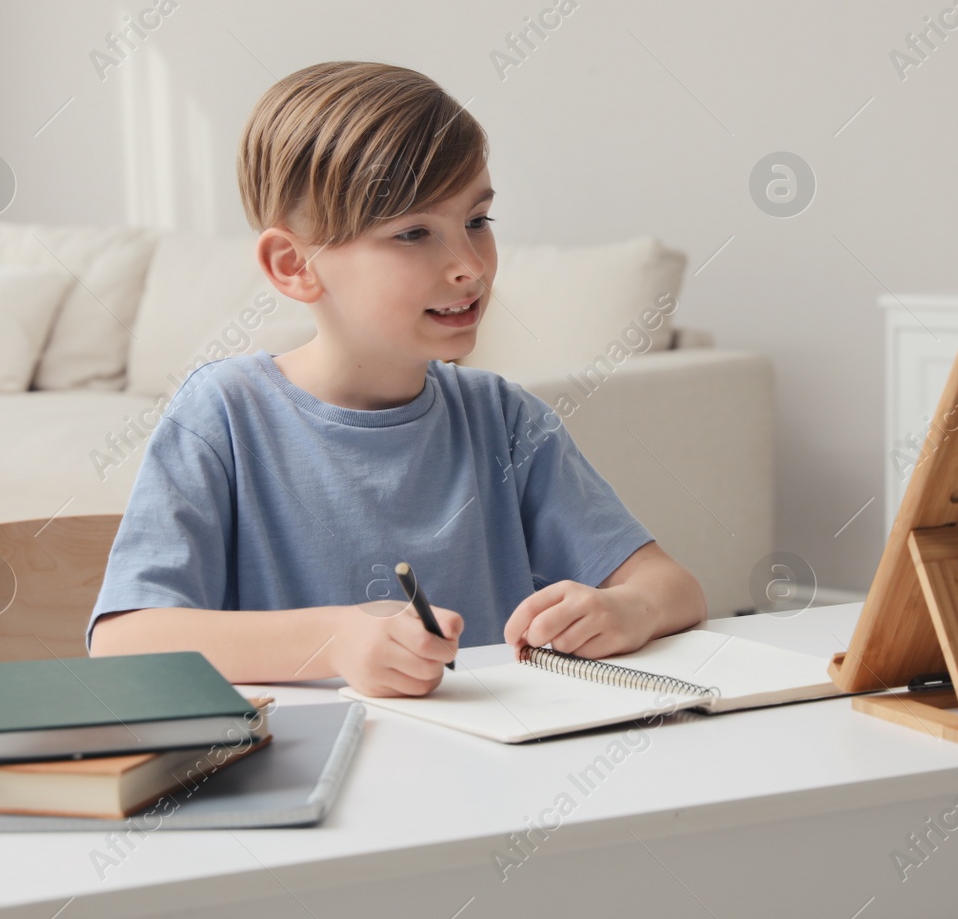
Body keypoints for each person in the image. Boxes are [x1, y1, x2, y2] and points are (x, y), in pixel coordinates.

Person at [87, 61, 707, 697]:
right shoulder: (222, 415)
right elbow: (124, 641)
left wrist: (627, 610)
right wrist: (337, 639)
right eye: (414, 233)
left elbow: (674, 588)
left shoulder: (504, 419)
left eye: (477, 221)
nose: (468, 266)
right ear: (295, 264)